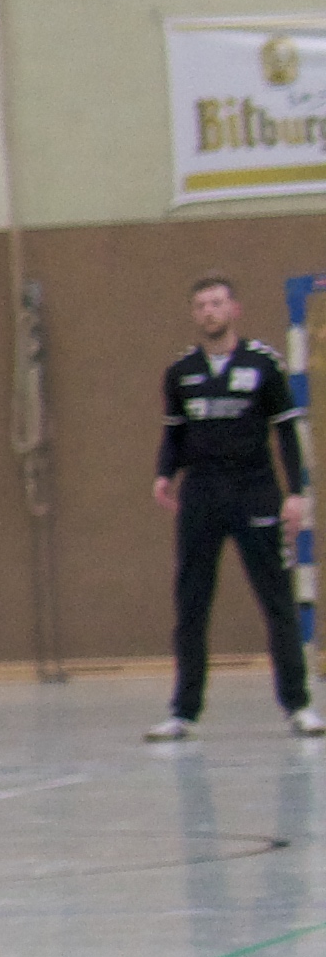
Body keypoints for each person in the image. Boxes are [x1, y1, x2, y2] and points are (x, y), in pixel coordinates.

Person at [148, 274, 316, 741]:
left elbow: (286, 431)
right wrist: (165, 474)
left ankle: (298, 705)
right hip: (201, 496)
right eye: (201, 304)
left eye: (217, 302)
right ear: (194, 313)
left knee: (277, 599)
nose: (209, 311)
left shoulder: (264, 365)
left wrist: (296, 493)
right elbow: (174, 433)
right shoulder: (180, 373)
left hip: (254, 492)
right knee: (192, 604)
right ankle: (183, 711)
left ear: (234, 310)